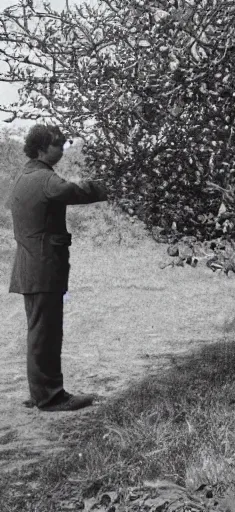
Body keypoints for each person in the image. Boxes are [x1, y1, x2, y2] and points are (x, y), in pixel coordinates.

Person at [7, 124, 108, 412]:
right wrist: (112, 184)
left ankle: (41, 394)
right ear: (40, 148)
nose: (62, 148)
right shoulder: (44, 178)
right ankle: (52, 398)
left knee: (39, 331)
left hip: (30, 265)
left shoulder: (24, 176)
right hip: (44, 266)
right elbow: (76, 192)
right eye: (57, 144)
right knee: (46, 333)